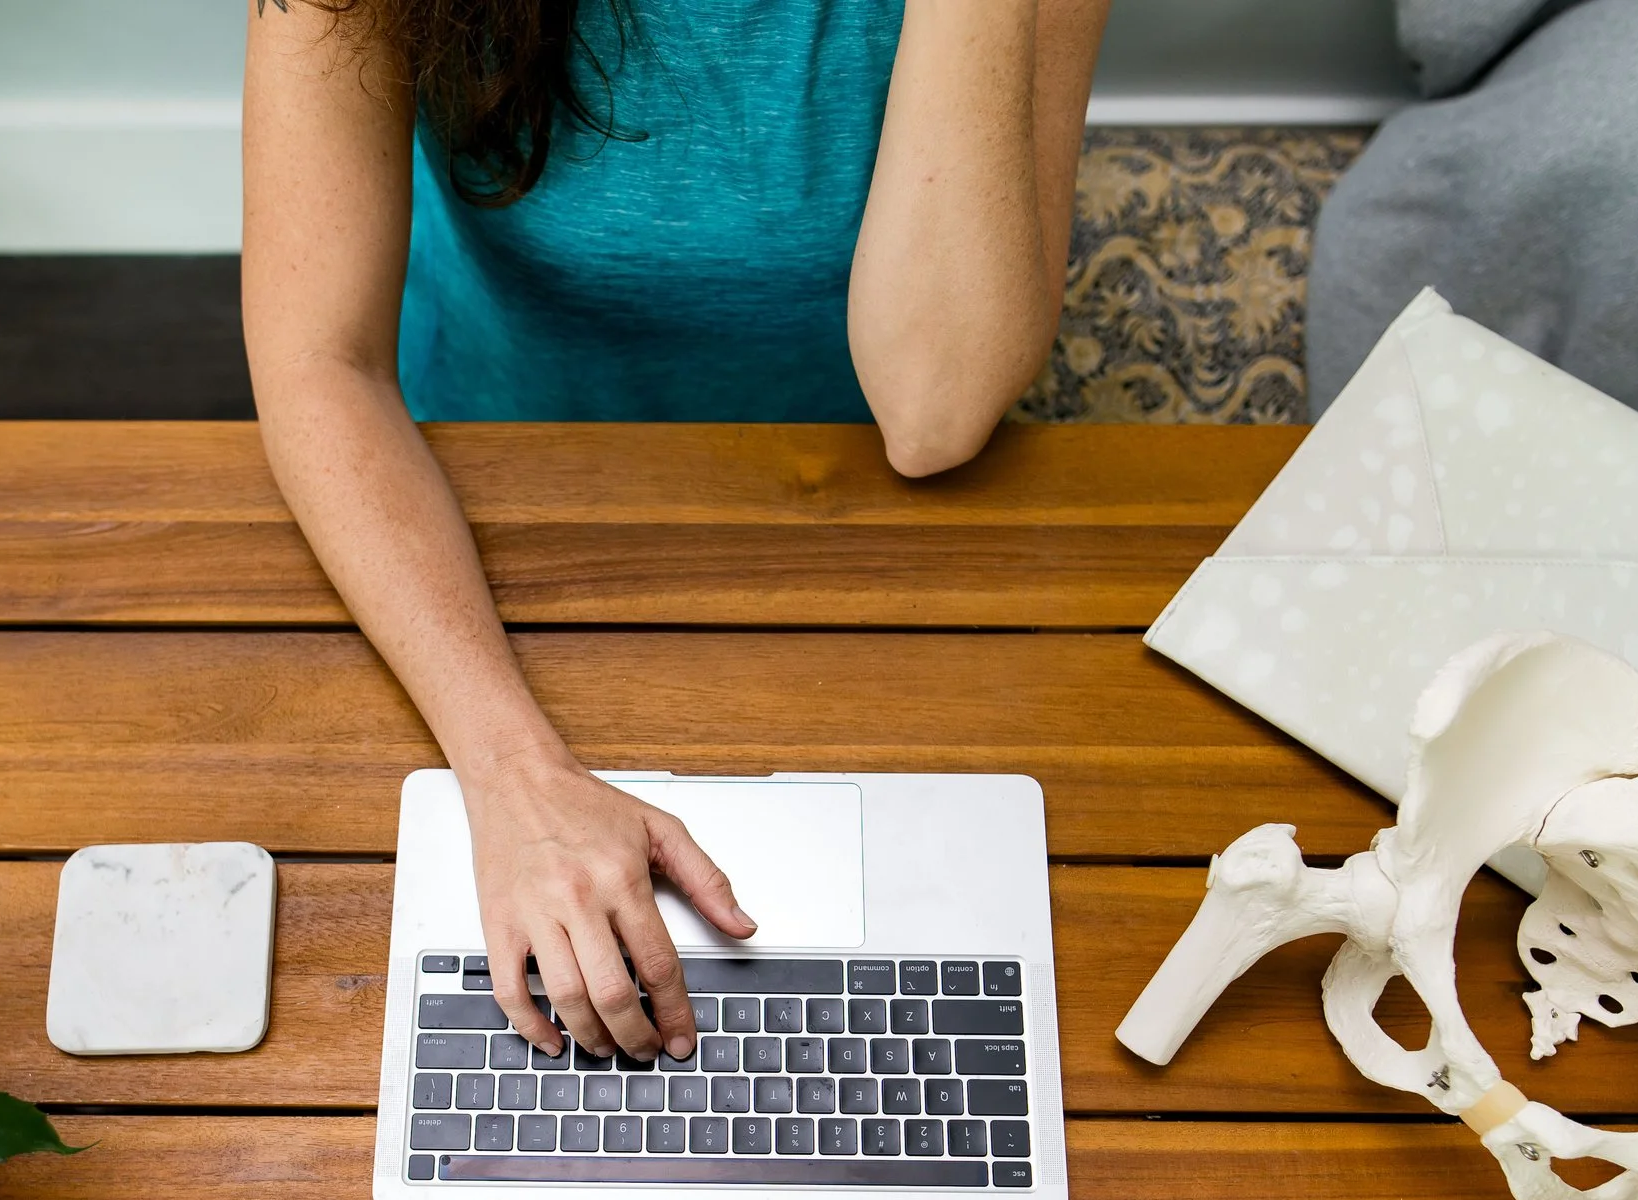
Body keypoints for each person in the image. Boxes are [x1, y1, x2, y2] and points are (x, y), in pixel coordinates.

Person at [242, 0, 1105, 1067]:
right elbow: (316, 361)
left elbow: (934, 412)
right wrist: (512, 774)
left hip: (881, 521)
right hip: (477, 515)